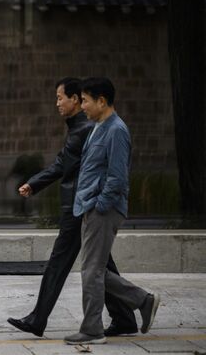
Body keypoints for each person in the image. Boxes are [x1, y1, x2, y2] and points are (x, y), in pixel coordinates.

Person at [8, 78, 137, 338]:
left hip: (82, 207)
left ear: (78, 100)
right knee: (100, 266)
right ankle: (125, 316)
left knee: (64, 263)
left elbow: (108, 174)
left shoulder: (93, 129)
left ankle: (40, 319)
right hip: (84, 206)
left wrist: (98, 205)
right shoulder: (88, 127)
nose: (57, 103)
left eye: (60, 97)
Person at [64, 78, 160, 345]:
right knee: (94, 270)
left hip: (103, 210)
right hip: (91, 207)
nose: (81, 106)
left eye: (85, 100)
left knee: (91, 271)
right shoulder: (99, 127)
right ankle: (143, 300)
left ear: (101, 101)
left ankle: (92, 329)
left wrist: (100, 206)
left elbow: (117, 177)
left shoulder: (117, 130)